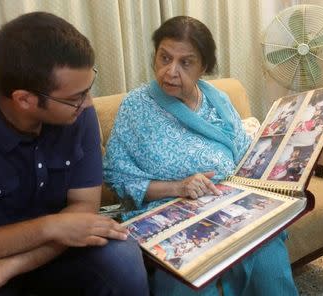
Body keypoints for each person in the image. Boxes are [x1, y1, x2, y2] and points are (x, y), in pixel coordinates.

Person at [0, 12, 149, 296]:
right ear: (24, 99)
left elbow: (83, 212)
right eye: (75, 98)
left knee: (122, 256)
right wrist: (49, 226)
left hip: (54, 255)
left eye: (87, 90)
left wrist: (8, 267)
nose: (87, 104)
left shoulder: (77, 115)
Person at [103, 16, 298, 296]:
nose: (170, 71)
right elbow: (117, 176)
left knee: (268, 254)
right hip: (170, 212)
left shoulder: (217, 100)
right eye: (164, 58)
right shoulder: (136, 106)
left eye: (185, 62)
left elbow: (245, 156)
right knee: (188, 282)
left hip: (232, 203)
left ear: (203, 67)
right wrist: (178, 187)